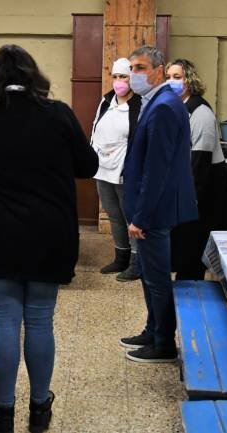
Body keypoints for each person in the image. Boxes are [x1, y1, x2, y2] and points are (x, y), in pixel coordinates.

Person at [0, 44, 98, 433]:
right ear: (32, 75)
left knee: (5, 321)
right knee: (40, 321)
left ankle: (2, 411)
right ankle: (40, 408)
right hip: (47, 229)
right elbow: (87, 165)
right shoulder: (57, 114)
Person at [118, 46, 198, 363]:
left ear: (159, 69)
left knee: (157, 278)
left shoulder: (164, 106)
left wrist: (142, 216)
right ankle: (152, 330)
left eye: (141, 68)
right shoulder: (158, 102)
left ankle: (163, 344)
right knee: (151, 275)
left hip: (154, 210)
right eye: (132, 68)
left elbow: (157, 170)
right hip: (150, 208)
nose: (135, 74)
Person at [166, 58, 227, 280]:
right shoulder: (179, 108)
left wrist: (186, 198)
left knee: (194, 246)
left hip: (203, 187)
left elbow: (199, 162)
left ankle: (191, 293)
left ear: (189, 80)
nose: (172, 82)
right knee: (184, 247)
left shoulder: (201, 112)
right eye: (168, 77)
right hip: (186, 180)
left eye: (177, 77)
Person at [91, 58, 142, 282]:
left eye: (124, 77)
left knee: (129, 217)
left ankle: (136, 262)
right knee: (113, 216)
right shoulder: (106, 101)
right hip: (102, 169)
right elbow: (95, 129)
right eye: (116, 77)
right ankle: (120, 257)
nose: (119, 82)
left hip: (124, 170)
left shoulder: (139, 105)